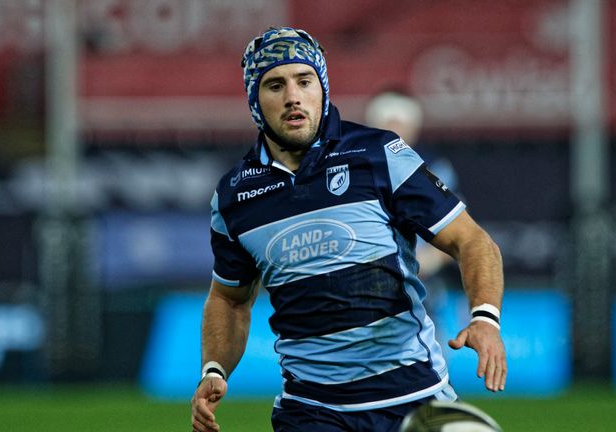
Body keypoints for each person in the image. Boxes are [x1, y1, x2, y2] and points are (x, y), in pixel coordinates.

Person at [191, 27, 506, 432]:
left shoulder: (378, 154)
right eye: (274, 85)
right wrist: (214, 369)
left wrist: (484, 319)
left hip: (411, 401)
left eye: (304, 81)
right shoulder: (235, 197)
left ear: (322, 87)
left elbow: (471, 240)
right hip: (310, 410)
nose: (293, 96)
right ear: (254, 101)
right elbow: (229, 299)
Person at [365, 89, 463, 280]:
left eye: (401, 124)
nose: (395, 131)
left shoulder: (435, 169)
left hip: (420, 285)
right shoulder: (351, 167)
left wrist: (421, 263)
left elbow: (459, 235)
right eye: (388, 123)